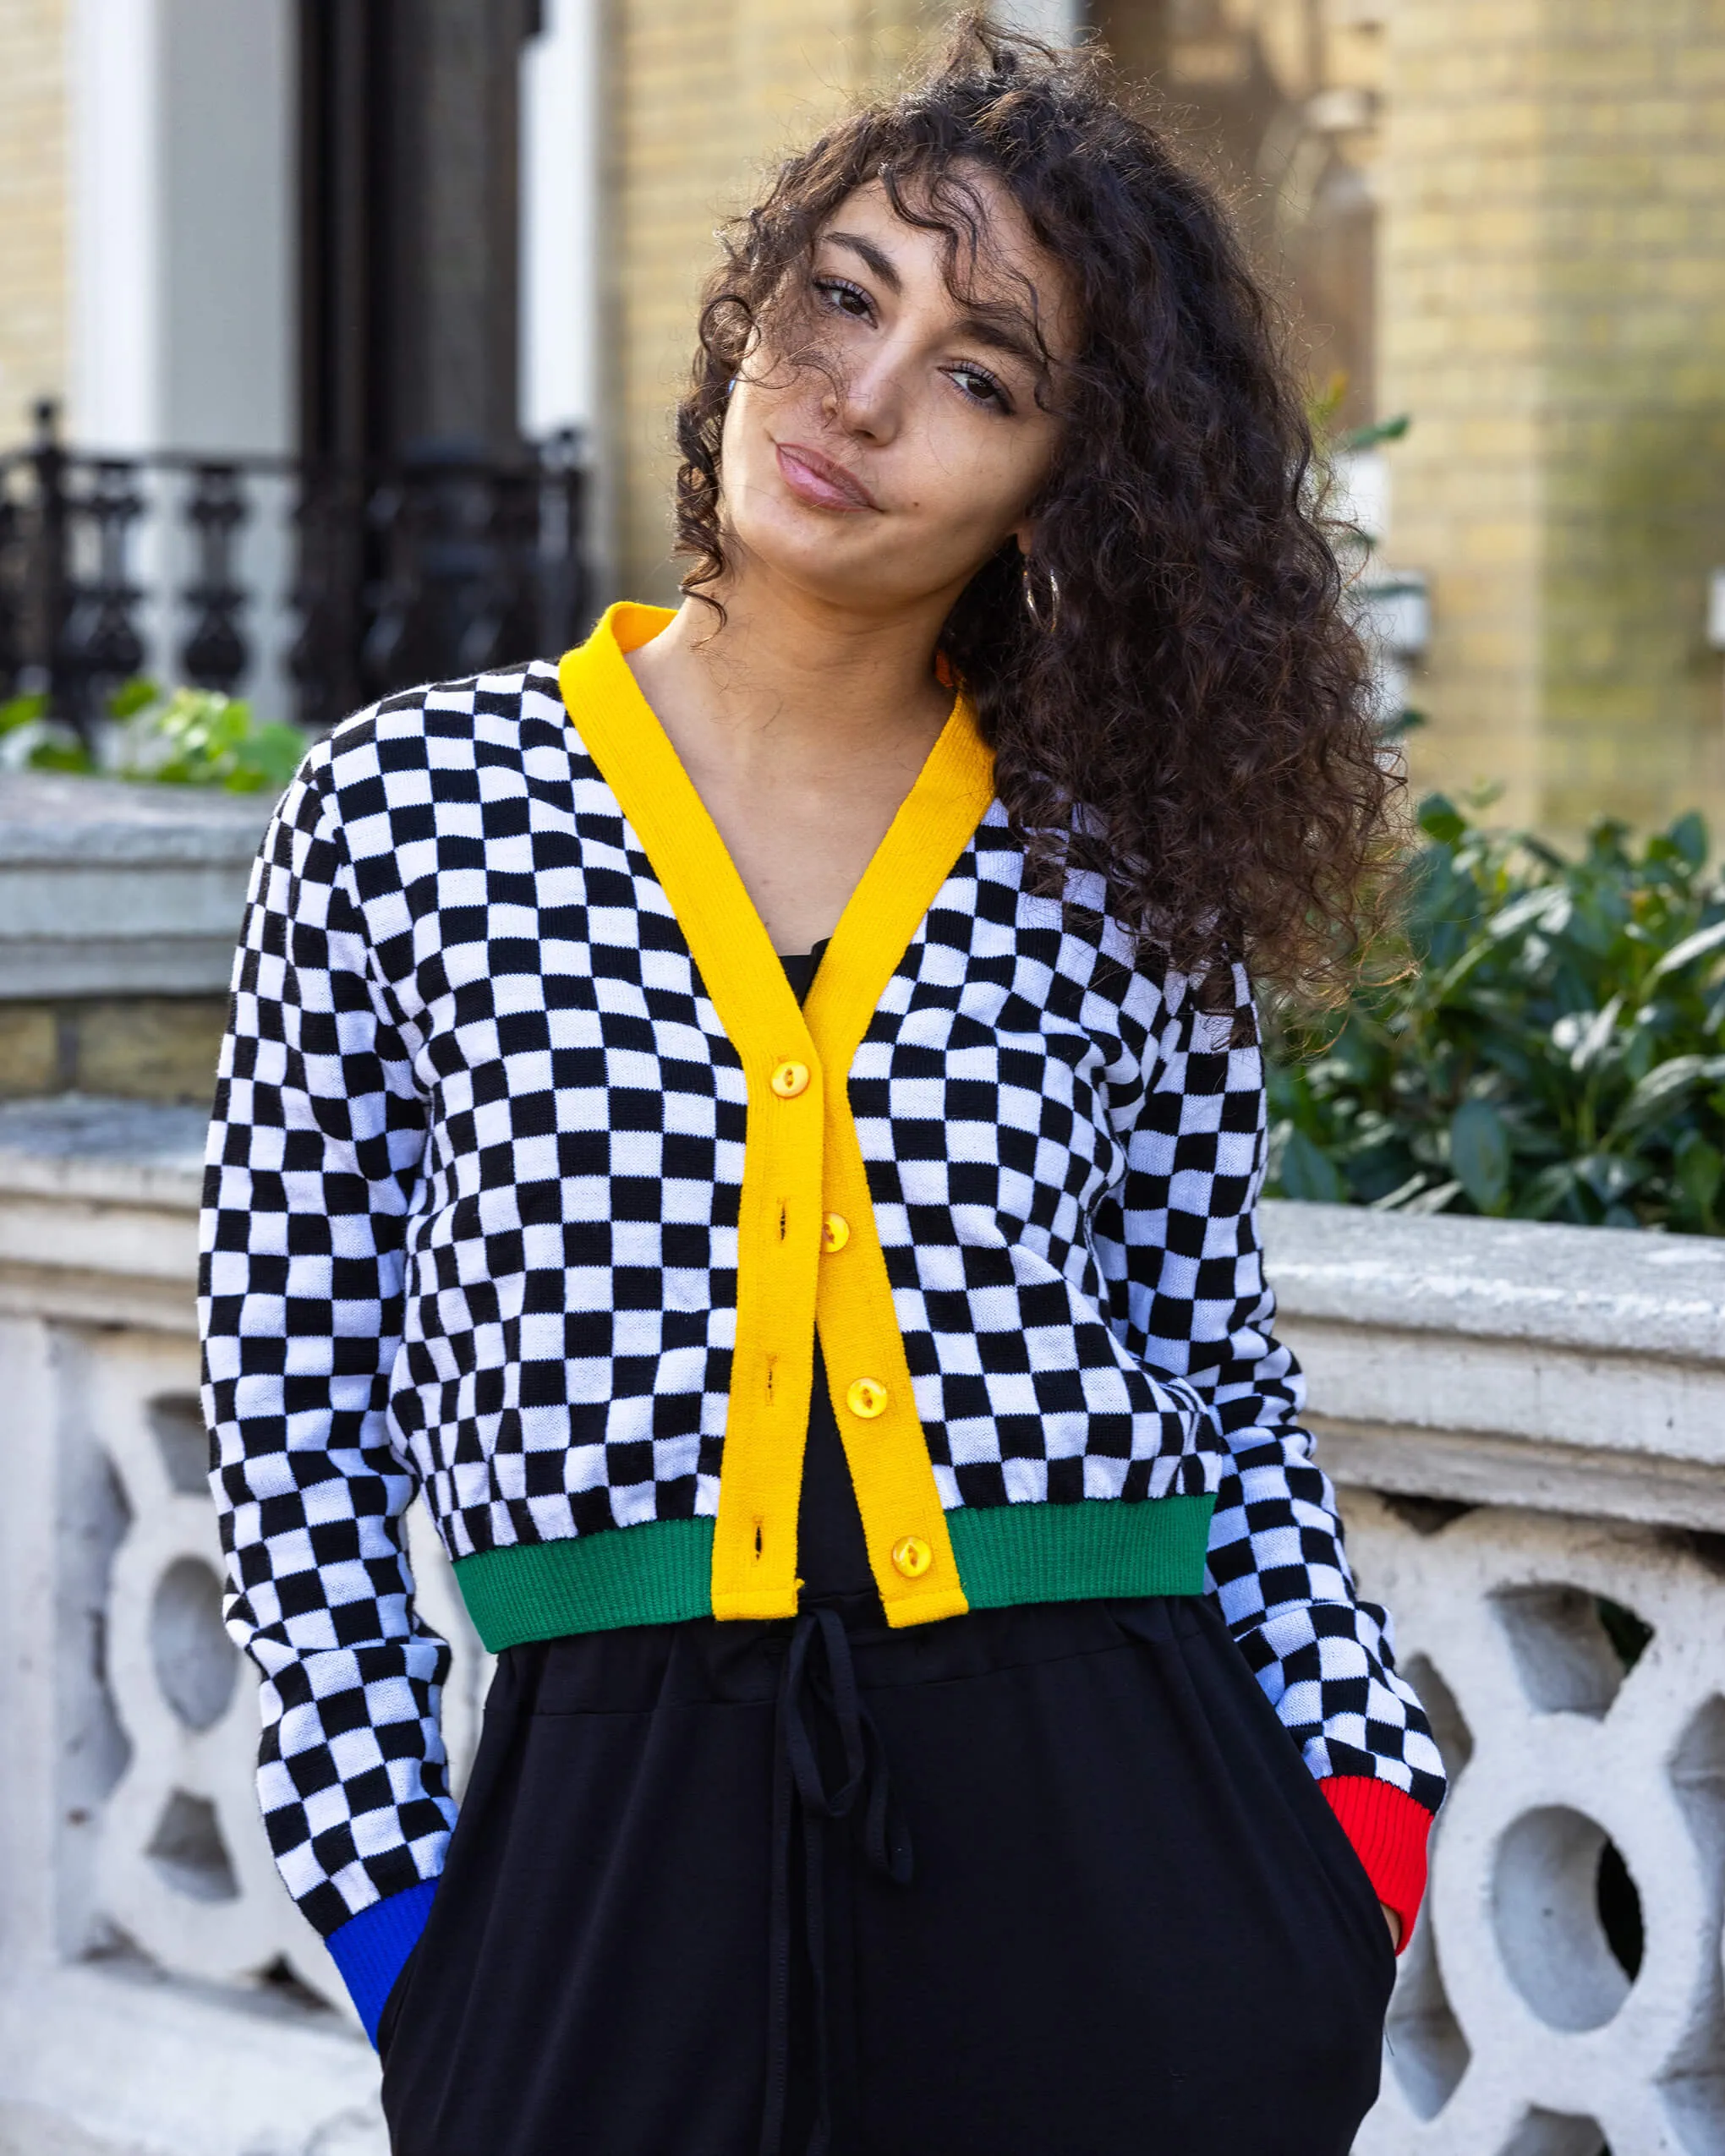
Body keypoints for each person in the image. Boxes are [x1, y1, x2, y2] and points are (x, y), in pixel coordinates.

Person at [200, 18, 1446, 2154]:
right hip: (606, 1848)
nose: (862, 398)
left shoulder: (1113, 855)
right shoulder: (406, 808)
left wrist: (1364, 1827)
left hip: (1124, 1820)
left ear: (1080, 480)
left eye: (984, 376)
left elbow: (1208, 1356)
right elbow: (289, 1399)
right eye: (841, 298)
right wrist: (403, 1910)